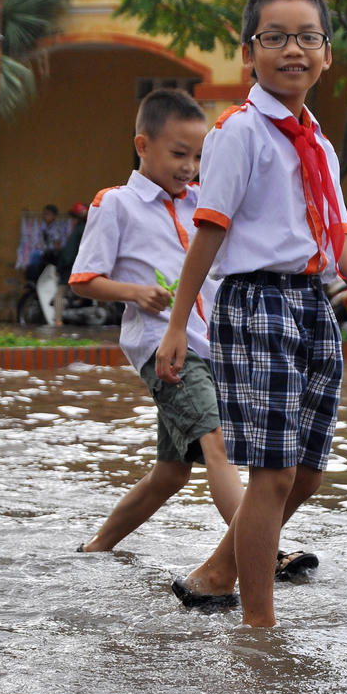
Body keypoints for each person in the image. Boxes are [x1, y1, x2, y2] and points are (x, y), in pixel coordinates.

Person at [156, 0, 347, 627]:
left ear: (327, 54)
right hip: (257, 302)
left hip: (313, 305)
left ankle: (216, 572)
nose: (291, 50)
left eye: (307, 38)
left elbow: (337, 237)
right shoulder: (239, 133)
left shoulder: (317, 142)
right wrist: (179, 324)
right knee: (270, 472)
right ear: (249, 53)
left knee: (307, 474)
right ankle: (258, 628)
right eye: (275, 38)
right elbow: (209, 229)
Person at [69, 89, 244, 556]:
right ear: (142, 146)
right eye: (179, 154)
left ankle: (96, 547)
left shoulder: (201, 202)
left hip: (211, 346)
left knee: (171, 473)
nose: (189, 166)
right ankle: (261, 550)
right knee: (217, 443)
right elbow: (83, 280)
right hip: (162, 347)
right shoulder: (116, 203)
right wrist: (134, 292)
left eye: (198, 156)